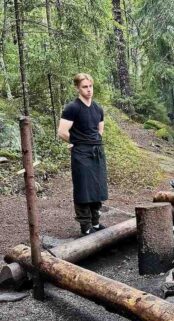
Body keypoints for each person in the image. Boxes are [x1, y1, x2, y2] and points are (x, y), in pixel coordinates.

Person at [57, 73, 108, 236]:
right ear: (77, 88)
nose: (88, 90)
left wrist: (93, 143)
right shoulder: (72, 108)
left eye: (90, 86)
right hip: (81, 153)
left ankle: (95, 222)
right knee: (83, 188)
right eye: (84, 87)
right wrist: (76, 142)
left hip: (96, 152)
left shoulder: (98, 108)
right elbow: (62, 132)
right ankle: (85, 225)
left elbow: (100, 131)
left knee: (97, 187)